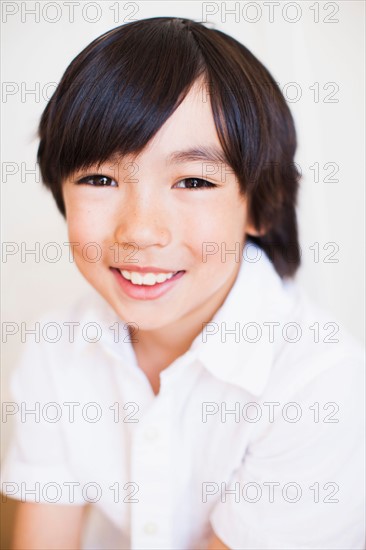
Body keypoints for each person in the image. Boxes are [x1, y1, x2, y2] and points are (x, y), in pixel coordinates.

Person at [1, 16, 364, 550]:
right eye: (99, 179)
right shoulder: (57, 346)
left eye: (193, 181)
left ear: (261, 207)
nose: (141, 230)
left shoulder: (321, 384)